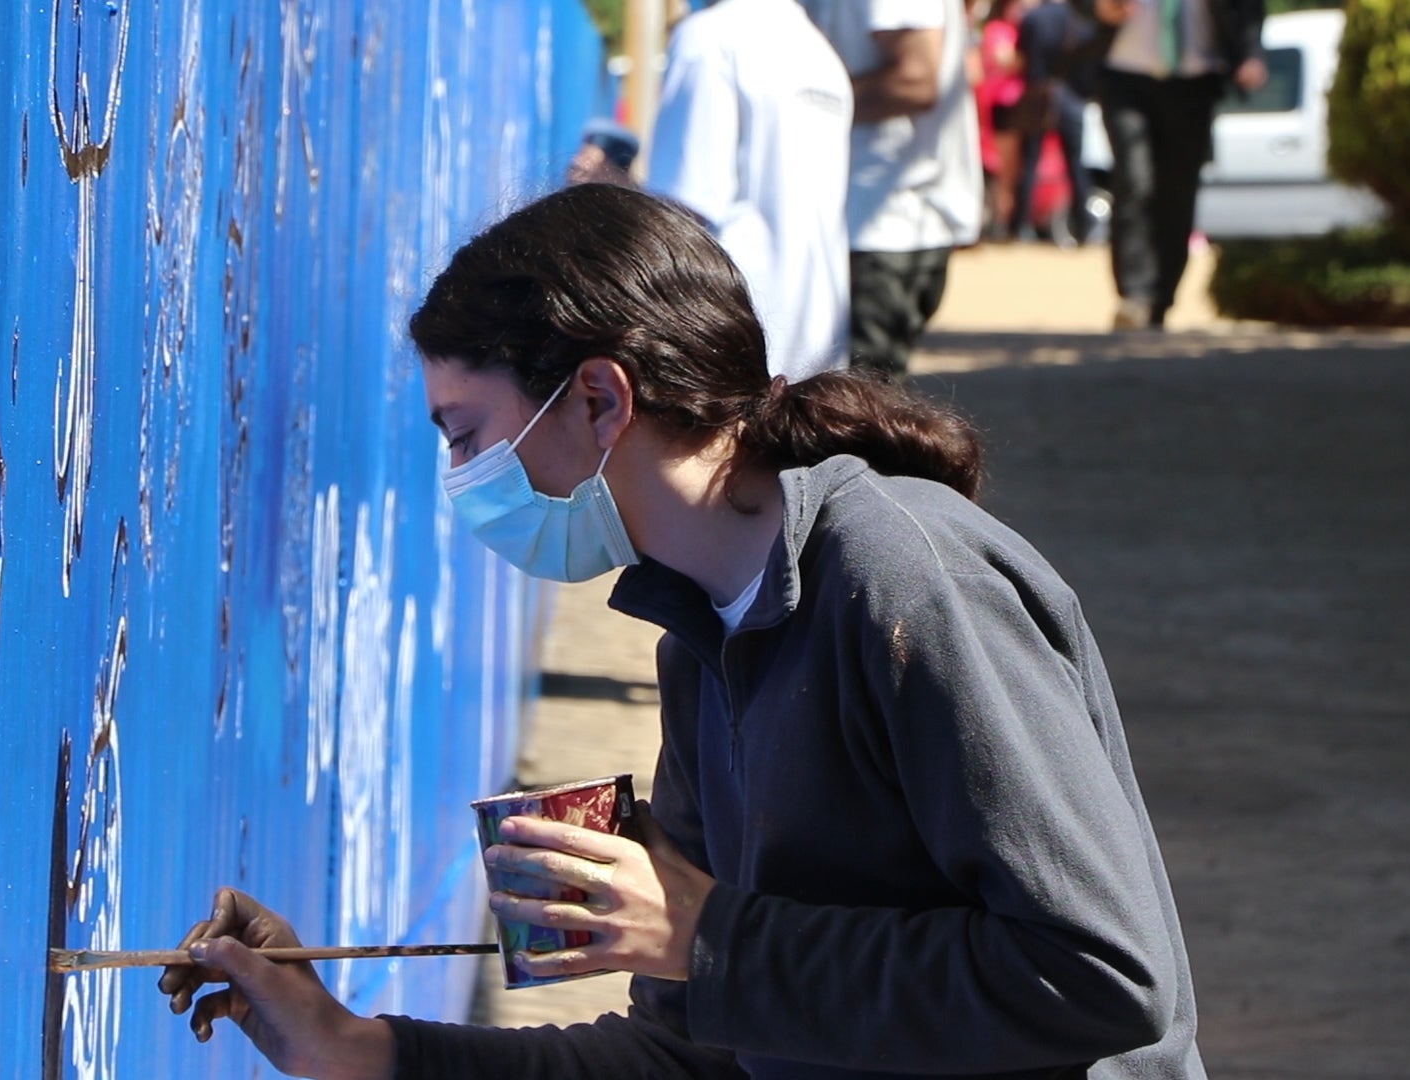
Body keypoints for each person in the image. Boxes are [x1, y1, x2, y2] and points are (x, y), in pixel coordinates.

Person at [159, 183, 1208, 1080]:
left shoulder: (905, 583)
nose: (462, 483)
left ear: (601, 400)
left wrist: (709, 935)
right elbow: (688, 1056)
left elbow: (1109, 977)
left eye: (467, 436)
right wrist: (357, 1047)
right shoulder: (698, 633)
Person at [642, 0, 855, 382]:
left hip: (728, 348)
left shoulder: (707, 39)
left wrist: (603, 185)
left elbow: (679, 213)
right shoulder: (820, 53)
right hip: (816, 351)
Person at [800, 0, 984, 377]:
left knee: (857, 412)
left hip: (883, 225)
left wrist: (795, 104)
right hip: (867, 222)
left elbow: (915, 78)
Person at [1076, 0, 1265, 329]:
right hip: (1125, 76)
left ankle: (1160, 298)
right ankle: (1134, 295)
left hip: (1196, 80)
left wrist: (1251, 53)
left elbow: (1246, 7)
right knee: (1134, 180)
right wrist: (1098, 8)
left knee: (1178, 192)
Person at [1010, 0, 1100, 243]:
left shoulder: (1032, 18)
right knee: (1076, 165)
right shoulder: (1079, 18)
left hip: (1037, 96)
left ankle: (1021, 226)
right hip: (1071, 97)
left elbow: (1020, 57)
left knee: (1029, 162)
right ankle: (1085, 226)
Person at [979, 0, 1034, 240]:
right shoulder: (998, 29)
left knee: (1015, 171)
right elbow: (1003, 60)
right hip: (1003, 104)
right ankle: (1000, 223)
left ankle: (1008, 221)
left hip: (1018, 104)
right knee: (1005, 170)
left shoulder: (1021, 31)